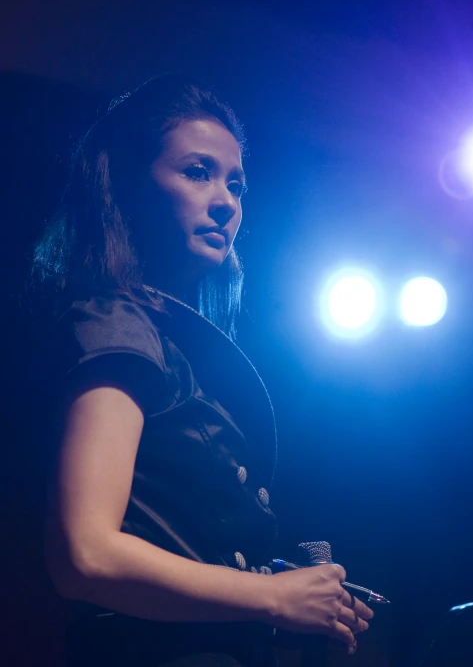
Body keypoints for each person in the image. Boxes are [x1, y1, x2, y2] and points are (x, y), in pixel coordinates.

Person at [32, 74, 373, 667]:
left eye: (236, 184)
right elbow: (85, 553)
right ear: (128, 186)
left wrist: (292, 587)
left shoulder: (165, 338)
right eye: (197, 172)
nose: (226, 201)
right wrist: (270, 596)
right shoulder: (114, 323)